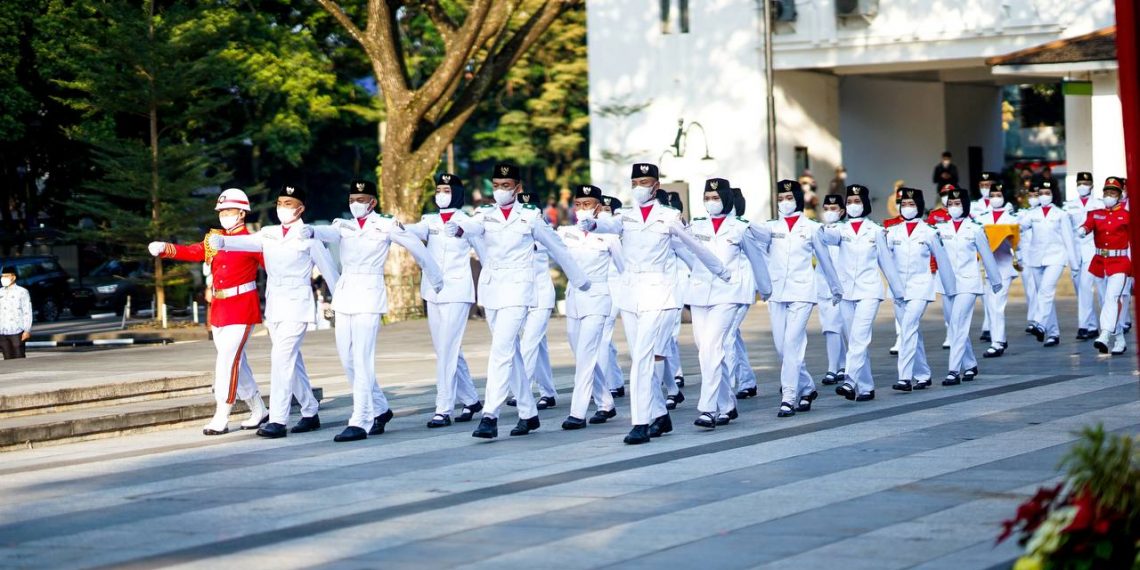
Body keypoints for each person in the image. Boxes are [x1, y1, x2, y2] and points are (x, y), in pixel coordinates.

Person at [580, 162, 730, 444]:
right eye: (635, 183)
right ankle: (660, 415)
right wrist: (591, 222)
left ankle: (641, 422)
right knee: (640, 356)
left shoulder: (669, 216)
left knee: (642, 359)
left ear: (656, 186)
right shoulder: (625, 216)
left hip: (658, 293)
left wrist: (720, 271)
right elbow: (607, 224)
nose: (639, 188)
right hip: (631, 295)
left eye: (645, 182)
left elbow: (694, 247)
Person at [448, 163, 590, 439]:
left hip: (518, 289)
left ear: (517, 188)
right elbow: (472, 226)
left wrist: (579, 279)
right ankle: (528, 413)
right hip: (492, 288)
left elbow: (557, 247)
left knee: (500, 350)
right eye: (496, 186)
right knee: (510, 351)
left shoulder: (530, 217)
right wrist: (459, 227)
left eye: (506, 186)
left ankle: (490, 415)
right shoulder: (485, 215)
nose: (500, 190)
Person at [310, 180, 444, 442]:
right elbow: (327, 233)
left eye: (361, 200)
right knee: (347, 359)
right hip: (346, 294)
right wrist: (311, 231)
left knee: (362, 359)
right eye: (352, 200)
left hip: (369, 295)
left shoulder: (385, 225)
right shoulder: (343, 225)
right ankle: (380, 408)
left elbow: (415, 245)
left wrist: (435, 275)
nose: (355, 204)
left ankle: (361, 420)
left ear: (372, 202)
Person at [209, 184, 339, 438]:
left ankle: (278, 419)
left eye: (288, 204)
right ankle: (310, 410)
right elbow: (247, 241)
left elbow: (329, 271)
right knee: (292, 360)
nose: (282, 208)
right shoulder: (269, 233)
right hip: (275, 306)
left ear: (300, 209)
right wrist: (223, 241)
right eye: (279, 203)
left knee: (281, 359)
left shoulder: (309, 236)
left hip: (297, 306)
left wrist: (341, 301)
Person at [148, 188, 268, 435]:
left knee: (227, 361)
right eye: (221, 211)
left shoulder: (251, 241)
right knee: (236, 361)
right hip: (220, 308)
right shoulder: (215, 239)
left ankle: (222, 413)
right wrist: (165, 248)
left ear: (242, 213)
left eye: (229, 211)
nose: (224, 215)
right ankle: (258, 408)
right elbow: (194, 251)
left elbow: (273, 266)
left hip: (242, 307)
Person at [749, 180, 842, 417]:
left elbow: (825, 259)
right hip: (777, 292)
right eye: (780, 198)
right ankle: (807, 387)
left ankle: (788, 397)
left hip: (802, 292)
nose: (784, 202)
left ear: (798, 199)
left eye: (789, 197)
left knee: (792, 343)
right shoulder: (771, 227)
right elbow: (750, 232)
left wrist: (835, 288)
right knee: (782, 347)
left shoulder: (811, 227)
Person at [684, 178, 771, 428]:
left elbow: (757, 258)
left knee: (711, 347)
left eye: (716, 198)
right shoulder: (696, 225)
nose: (711, 202)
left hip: (728, 293)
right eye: (707, 198)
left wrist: (765, 289)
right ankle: (727, 404)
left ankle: (708, 408)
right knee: (706, 350)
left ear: (726, 199)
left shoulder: (739, 227)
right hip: (700, 293)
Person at [405, 173, 488, 428]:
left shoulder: (467, 221)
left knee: (448, 348)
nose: (441, 194)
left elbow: (484, 254)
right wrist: (397, 227)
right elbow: (415, 231)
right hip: (433, 291)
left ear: (457, 194)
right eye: (439, 190)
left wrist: (490, 288)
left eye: (447, 190)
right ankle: (471, 400)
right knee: (445, 349)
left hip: (457, 291)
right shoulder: (429, 220)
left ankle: (443, 408)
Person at [820, 185, 903, 401]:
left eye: (857, 201)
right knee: (854, 340)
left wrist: (898, 292)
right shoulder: (841, 230)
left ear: (864, 203)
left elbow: (886, 262)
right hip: (846, 292)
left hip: (869, 290)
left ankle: (849, 381)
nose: (852, 205)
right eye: (849, 202)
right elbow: (827, 237)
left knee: (859, 335)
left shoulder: (875, 230)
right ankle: (866, 387)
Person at [556, 184, 621, 429]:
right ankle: (606, 403)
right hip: (573, 298)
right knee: (581, 353)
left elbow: (624, 269)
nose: (582, 209)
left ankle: (577, 412)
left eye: (587, 204)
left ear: (597, 207)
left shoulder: (609, 236)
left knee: (586, 354)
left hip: (598, 298)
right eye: (578, 204)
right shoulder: (566, 233)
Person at [886, 188, 957, 392]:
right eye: (904, 204)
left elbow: (942, 260)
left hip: (920, 286)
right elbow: (882, 256)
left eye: (911, 204)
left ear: (919, 206)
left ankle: (904, 377)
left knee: (908, 328)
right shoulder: (893, 232)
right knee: (911, 330)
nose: (907, 208)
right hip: (898, 289)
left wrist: (949, 288)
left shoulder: (929, 232)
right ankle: (923, 374)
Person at [935, 188, 1003, 385]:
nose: (953, 207)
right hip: (947, 283)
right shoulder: (940, 229)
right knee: (953, 324)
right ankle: (970, 364)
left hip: (968, 282)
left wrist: (996, 281)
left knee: (958, 323)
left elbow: (987, 256)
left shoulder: (975, 229)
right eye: (950, 204)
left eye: (957, 204)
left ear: (965, 205)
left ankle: (953, 370)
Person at [1018, 179, 1080, 347]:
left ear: (1053, 195)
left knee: (1046, 290)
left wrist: (1074, 264)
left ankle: (1038, 323)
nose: (1044, 196)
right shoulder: (1032, 214)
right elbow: (1019, 228)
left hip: (1056, 257)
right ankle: (1053, 333)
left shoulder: (1061, 214)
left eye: (1047, 193)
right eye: (1041, 193)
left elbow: (1069, 239)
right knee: (1044, 295)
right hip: (1036, 258)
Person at [1079, 176, 1130, 355]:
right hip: (1100, 262)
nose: (1109, 195)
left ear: (1119, 195)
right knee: (1106, 301)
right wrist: (1083, 230)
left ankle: (1105, 335)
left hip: (1120, 262)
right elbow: (1088, 225)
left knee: (1112, 298)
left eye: (1113, 192)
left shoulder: (1127, 216)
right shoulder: (1096, 213)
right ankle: (1120, 339)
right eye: (1106, 191)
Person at [978, 181, 1021, 358]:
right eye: (993, 195)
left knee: (997, 305)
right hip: (988, 267)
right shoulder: (982, 218)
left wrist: (1020, 259)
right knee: (990, 305)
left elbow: (1018, 244)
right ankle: (1000, 338)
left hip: (1003, 266)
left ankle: (997, 343)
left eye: (999, 195)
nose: (995, 198)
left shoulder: (1012, 219)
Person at [1063, 172, 1105, 340]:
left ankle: (1084, 326)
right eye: (1080, 183)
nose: (1083, 186)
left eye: (1086, 183)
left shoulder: (1099, 204)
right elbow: (1066, 232)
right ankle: (1092, 326)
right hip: (1075, 250)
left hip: (1093, 248)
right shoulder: (1069, 206)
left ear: (1092, 185)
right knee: (1079, 289)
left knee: (1087, 286)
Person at [730, 187, 760, 400]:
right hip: (723, 292)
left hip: (740, 289)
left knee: (726, 336)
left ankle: (727, 386)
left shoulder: (745, 227)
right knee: (732, 336)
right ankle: (747, 380)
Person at [815, 195, 847, 386]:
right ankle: (842, 364)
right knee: (831, 328)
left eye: (833, 208)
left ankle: (832, 368)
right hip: (822, 285)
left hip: (842, 287)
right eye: (826, 208)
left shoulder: (845, 230)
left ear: (842, 211)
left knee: (832, 327)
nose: (829, 212)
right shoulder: (818, 230)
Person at [599, 195, 627, 399]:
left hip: (617, 286)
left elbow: (623, 266)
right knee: (604, 338)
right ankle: (615, 382)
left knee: (603, 335)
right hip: (599, 287)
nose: (603, 214)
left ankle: (602, 386)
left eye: (607, 211)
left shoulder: (621, 234)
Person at [0, 266, 33, 360]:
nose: (3, 278)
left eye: (6, 276)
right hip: (2, 331)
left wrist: (27, 330)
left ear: (13, 277)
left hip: (17, 330)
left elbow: (27, 311)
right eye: (2, 276)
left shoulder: (22, 292)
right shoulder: (0, 292)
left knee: (19, 358)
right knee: (7, 359)